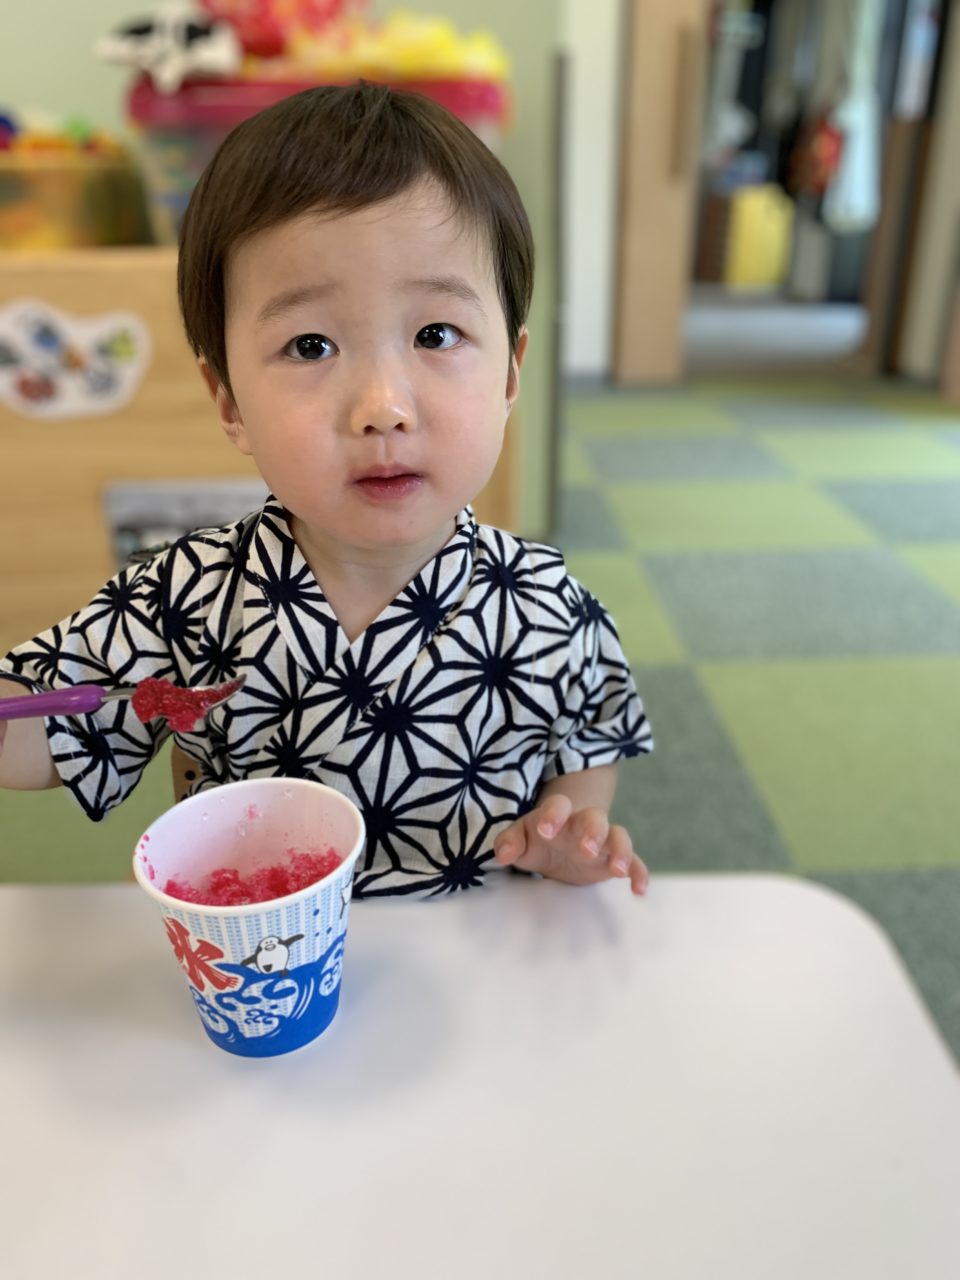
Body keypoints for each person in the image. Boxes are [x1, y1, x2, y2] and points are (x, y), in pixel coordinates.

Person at [0, 82, 652, 899]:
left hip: (475, 951)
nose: (382, 407)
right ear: (229, 401)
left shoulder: (548, 605)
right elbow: (46, 720)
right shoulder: (187, 594)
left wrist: (572, 826)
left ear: (511, 373)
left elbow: (589, 743)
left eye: (436, 334)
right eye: (310, 345)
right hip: (258, 961)